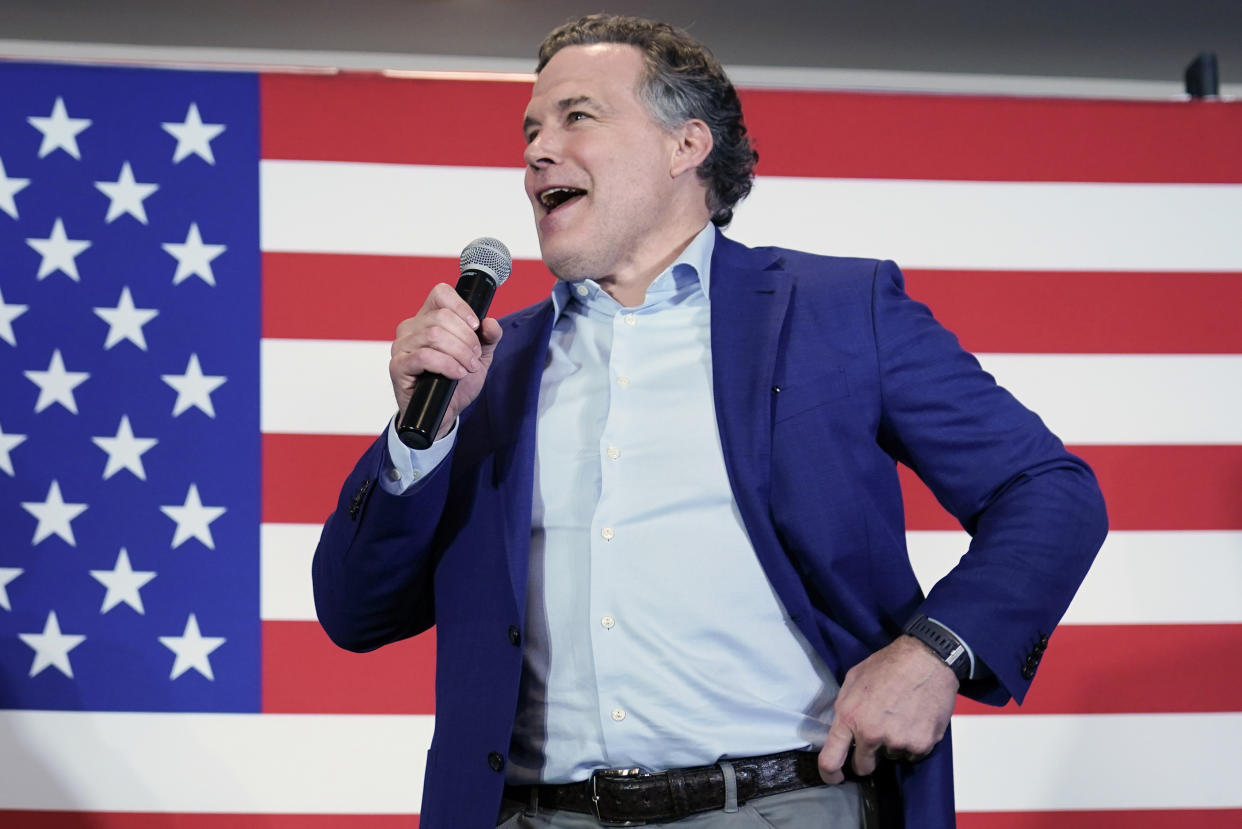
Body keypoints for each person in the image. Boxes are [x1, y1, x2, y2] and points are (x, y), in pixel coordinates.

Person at [312, 14, 1107, 829]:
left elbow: (1048, 489)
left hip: (782, 804)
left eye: (577, 116)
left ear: (685, 145)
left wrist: (935, 652)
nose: (538, 151)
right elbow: (354, 611)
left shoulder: (839, 312)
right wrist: (422, 436)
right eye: (531, 129)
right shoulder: (489, 368)